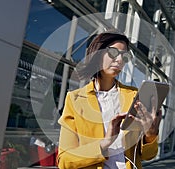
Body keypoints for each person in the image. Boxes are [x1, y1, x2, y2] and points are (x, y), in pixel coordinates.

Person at [57, 30, 161, 169]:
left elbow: (148, 155)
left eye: (124, 57)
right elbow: (64, 161)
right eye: (113, 53)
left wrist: (151, 135)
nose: (119, 60)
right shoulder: (75, 99)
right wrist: (105, 143)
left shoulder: (134, 96)